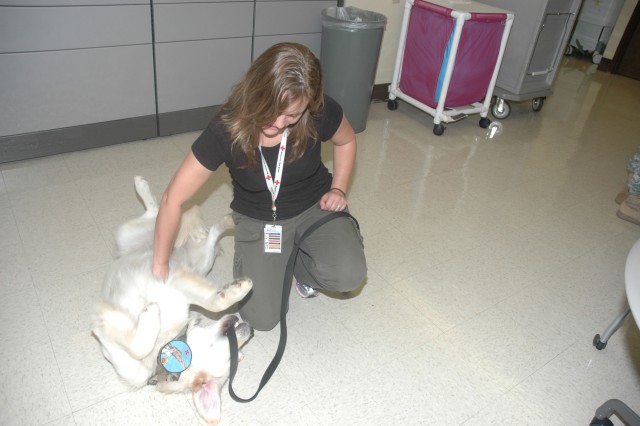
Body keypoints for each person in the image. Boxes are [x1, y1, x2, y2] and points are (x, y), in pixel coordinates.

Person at [152, 43, 367, 331]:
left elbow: (347, 140)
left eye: (292, 116)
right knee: (261, 319)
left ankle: (297, 264)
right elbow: (172, 199)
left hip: (315, 205)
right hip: (259, 218)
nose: (278, 124)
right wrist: (159, 265)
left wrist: (339, 189)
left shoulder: (317, 111)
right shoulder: (226, 128)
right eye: (273, 110)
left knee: (349, 275)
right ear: (257, 91)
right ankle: (281, 259)